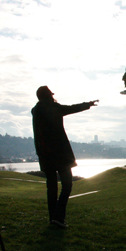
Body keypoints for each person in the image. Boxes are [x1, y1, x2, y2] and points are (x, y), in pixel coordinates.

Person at [32, 85, 98, 228]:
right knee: (67, 186)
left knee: (52, 188)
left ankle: (53, 218)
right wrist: (88, 104)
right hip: (60, 155)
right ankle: (58, 218)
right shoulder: (54, 108)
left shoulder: (36, 111)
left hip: (45, 156)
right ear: (49, 95)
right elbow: (72, 108)